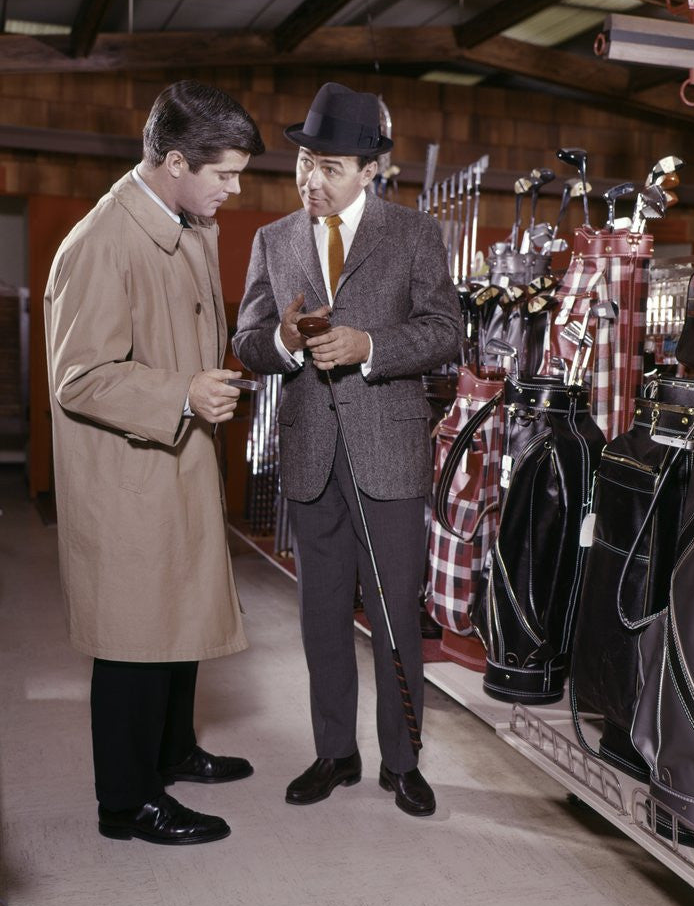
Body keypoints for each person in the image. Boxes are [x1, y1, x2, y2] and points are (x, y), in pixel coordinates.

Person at [43, 80, 265, 845]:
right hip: (129, 476)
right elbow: (79, 377)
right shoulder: (102, 242)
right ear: (174, 160)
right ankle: (126, 804)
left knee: (177, 615)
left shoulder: (183, 220)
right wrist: (183, 393)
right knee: (136, 640)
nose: (234, 191)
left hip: (175, 460)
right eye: (224, 174)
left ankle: (172, 752)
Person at [233, 82, 462, 816]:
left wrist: (368, 346)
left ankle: (404, 762)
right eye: (305, 164)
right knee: (320, 617)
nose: (312, 180)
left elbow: (443, 332)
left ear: (370, 170)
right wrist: (280, 341)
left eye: (330, 167)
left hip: (387, 454)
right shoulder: (274, 241)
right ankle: (334, 754)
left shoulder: (415, 235)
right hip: (308, 457)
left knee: (395, 612)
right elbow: (244, 340)